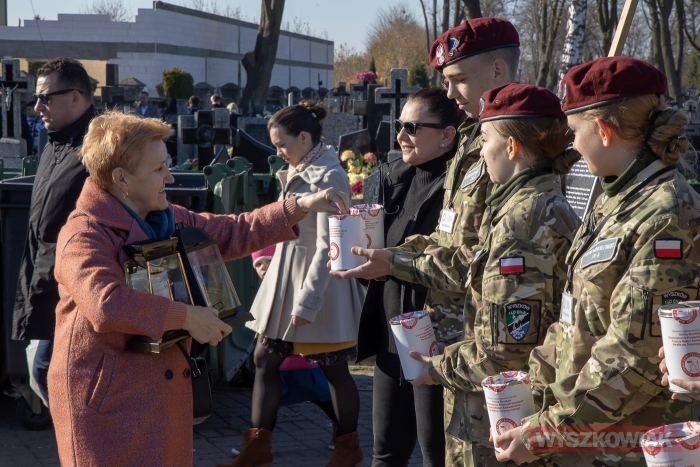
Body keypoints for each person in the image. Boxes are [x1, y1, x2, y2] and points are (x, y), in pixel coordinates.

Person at [48, 111, 347, 467]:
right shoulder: (83, 234)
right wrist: (188, 317)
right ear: (121, 178)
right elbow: (106, 304)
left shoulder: (166, 217)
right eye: (159, 169)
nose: (170, 177)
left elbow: (234, 230)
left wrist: (301, 205)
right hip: (107, 407)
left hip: (159, 396)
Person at [330, 18, 521, 467]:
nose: (450, 94)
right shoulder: (473, 141)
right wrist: (388, 255)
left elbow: (484, 256)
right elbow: (449, 237)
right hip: (436, 329)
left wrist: (395, 262)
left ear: (497, 70)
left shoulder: (512, 144)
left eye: (458, 80)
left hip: (473, 339)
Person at [495, 57, 700, 467]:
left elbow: (633, 357)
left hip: (627, 445)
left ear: (604, 131)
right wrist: (533, 391)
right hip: (584, 433)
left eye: (574, 132)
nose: (571, 145)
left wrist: (545, 432)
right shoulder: (615, 199)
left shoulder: (667, 214)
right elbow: (575, 315)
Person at [408, 84, 580, 466]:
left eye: (485, 140)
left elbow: (504, 353)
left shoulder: (523, 223)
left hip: (495, 422)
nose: (481, 151)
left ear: (512, 147)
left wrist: (434, 368)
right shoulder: (532, 205)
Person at [219, 101, 365, 467]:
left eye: (281, 144)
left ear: (303, 137)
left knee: (334, 369)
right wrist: (267, 257)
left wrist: (308, 301)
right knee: (265, 359)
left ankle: (347, 451)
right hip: (288, 280)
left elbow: (328, 247)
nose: (278, 152)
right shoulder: (302, 168)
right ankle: (257, 449)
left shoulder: (330, 175)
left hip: (317, 287)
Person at [354, 87, 463, 467]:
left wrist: (394, 263)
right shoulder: (394, 178)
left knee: (438, 456)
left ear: (447, 135)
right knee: (386, 453)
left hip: (436, 337)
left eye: (412, 128)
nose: (401, 135)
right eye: (399, 125)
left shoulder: (461, 188)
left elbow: (459, 264)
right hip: (391, 333)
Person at [12, 58, 97, 409]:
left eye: (45, 97)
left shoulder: (99, 148)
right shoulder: (54, 144)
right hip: (45, 281)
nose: (37, 107)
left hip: (77, 290)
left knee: (49, 371)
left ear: (75, 96)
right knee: (44, 372)